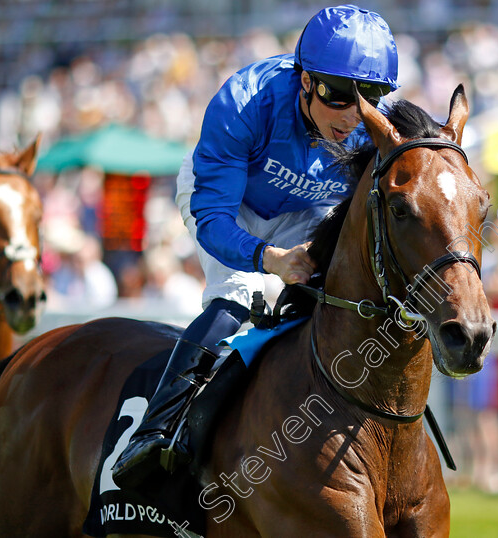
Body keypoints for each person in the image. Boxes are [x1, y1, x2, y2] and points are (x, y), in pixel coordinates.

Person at [112, 4, 398, 487]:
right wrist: (269, 259)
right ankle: (156, 431)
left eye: (370, 96)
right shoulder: (245, 102)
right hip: (228, 200)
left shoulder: (374, 125)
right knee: (240, 295)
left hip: (307, 212)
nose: (353, 116)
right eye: (338, 95)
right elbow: (214, 222)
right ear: (305, 80)